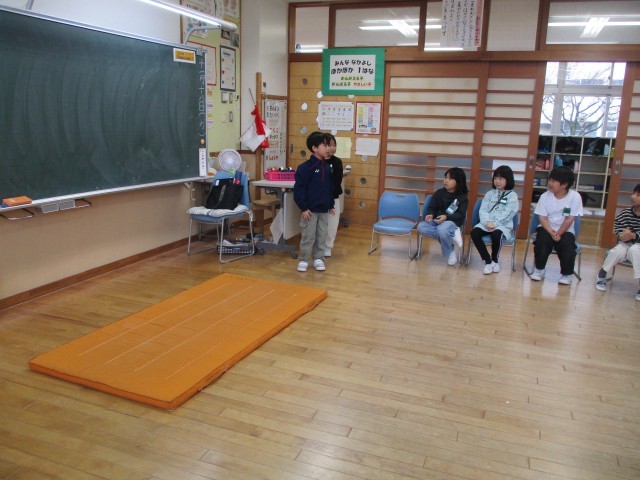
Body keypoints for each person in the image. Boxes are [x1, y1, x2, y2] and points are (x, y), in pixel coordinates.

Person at [530, 166, 583, 285]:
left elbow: (570, 219)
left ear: (564, 185)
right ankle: (539, 269)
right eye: (550, 180)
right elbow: (542, 218)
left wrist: (559, 233)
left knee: (567, 246)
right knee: (542, 241)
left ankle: (567, 274)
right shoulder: (545, 196)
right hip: (546, 228)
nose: (550, 183)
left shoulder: (575, 197)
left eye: (554, 181)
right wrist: (551, 232)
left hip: (565, 229)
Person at [293, 131, 335, 272]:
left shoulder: (327, 167)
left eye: (328, 146)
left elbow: (329, 188)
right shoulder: (305, 168)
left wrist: (331, 204)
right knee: (308, 235)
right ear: (315, 148)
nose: (328, 148)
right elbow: (299, 189)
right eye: (325, 145)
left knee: (322, 235)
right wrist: (304, 207)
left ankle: (318, 258)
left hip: (323, 210)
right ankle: (304, 259)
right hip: (309, 210)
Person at [470, 165, 519, 274]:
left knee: (496, 235)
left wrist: (495, 224)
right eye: (495, 178)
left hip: (502, 225)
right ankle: (488, 261)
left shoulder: (512, 196)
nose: (497, 181)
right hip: (486, 223)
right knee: (475, 232)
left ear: (508, 179)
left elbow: (508, 213)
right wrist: (487, 222)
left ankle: (495, 260)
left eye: (501, 178)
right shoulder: (489, 194)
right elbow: (483, 210)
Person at [595, 183, 640, 300]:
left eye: (638, 195)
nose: (633, 196)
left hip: (638, 246)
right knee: (617, 251)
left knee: (635, 250)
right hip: (625, 244)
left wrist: (634, 236)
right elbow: (618, 229)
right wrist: (622, 236)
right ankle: (602, 275)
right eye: (633, 193)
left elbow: (635, 237)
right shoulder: (625, 213)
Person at [417, 167, 469, 266]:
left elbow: (460, 215)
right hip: (437, 221)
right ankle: (451, 240)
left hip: (452, 221)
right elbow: (432, 207)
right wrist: (430, 214)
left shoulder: (462, 197)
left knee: (442, 229)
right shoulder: (439, 193)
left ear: (458, 181)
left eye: (450, 178)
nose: (446, 181)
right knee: (421, 227)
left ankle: (450, 251)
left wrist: (446, 217)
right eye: (446, 177)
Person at [324, 133, 343, 257]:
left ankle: (327, 247)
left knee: (332, 225)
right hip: (318, 199)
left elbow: (337, 181)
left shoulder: (337, 162)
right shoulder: (316, 161)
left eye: (334, 145)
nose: (332, 148)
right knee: (319, 225)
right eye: (329, 145)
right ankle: (317, 247)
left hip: (333, 198)